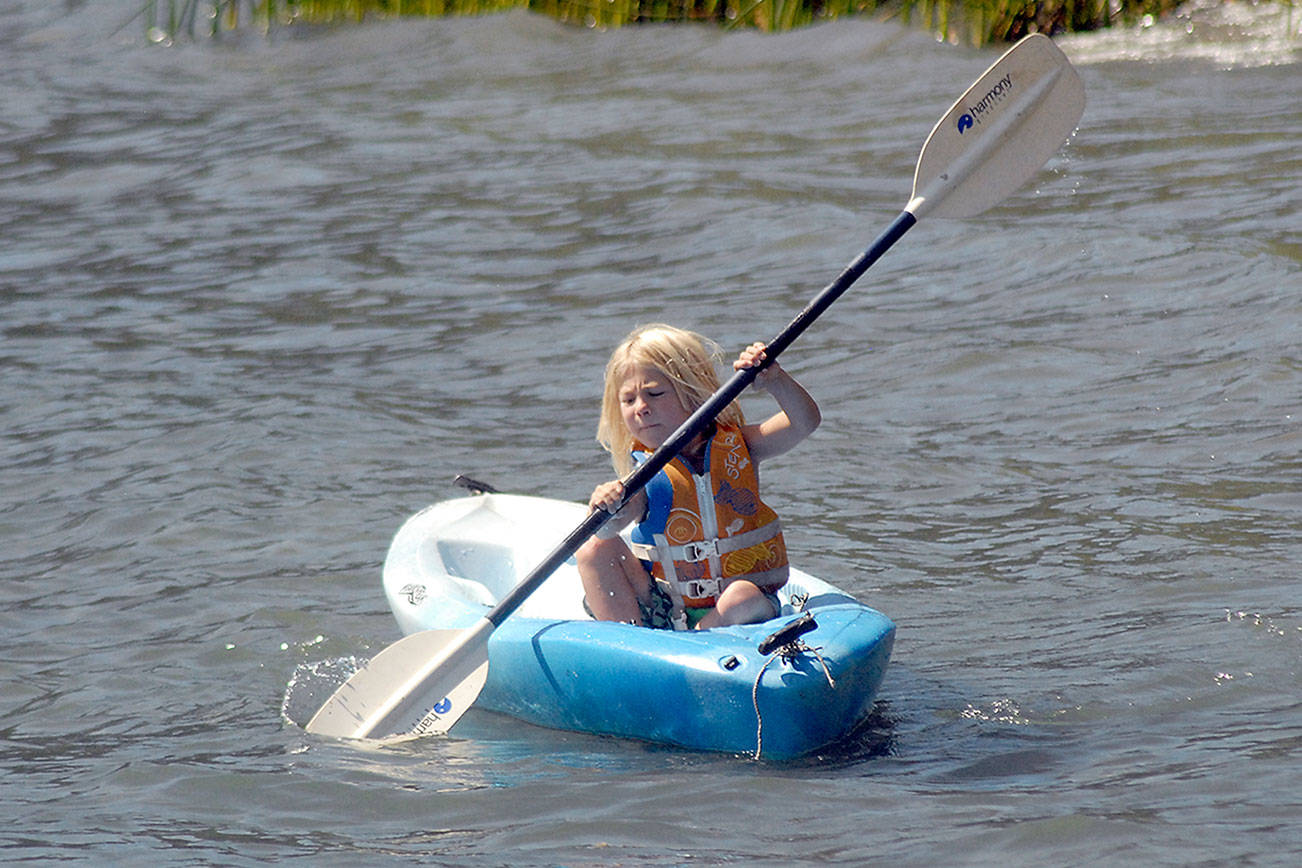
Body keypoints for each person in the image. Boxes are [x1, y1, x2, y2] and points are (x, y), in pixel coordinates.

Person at [576, 323, 820, 630]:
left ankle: (701, 634)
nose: (641, 408)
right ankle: (631, 642)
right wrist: (606, 503)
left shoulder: (741, 446)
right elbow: (609, 528)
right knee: (594, 549)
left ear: (693, 393)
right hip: (667, 607)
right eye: (628, 400)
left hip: (737, 605)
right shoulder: (645, 476)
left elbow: (804, 422)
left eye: (654, 393)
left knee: (740, 598)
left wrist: (776, 381)